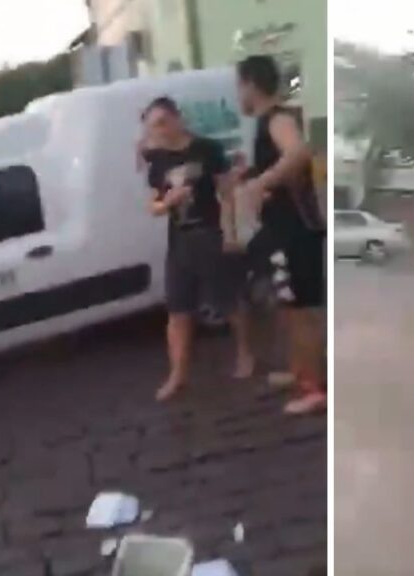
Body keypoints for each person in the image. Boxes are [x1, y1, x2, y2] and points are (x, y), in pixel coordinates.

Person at [141, 96, 254, 401]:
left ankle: (244, 353)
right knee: (177, 310)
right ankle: (177, 374)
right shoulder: (158, 160)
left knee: (229, 301)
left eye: (162, 123)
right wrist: (167, 202)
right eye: (153, 126)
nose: (159, 131)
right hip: (179, 240)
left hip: (210, 233)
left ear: (177, 118)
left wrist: (230, 233)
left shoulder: (207, 149)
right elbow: (152, 205)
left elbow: (226, 193)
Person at [236, 55, 327, 415]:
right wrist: (251, 178)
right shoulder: (265, 123)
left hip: (295, 232)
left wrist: (260, 183)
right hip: (281, 231)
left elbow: (297, 153)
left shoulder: (278, 119)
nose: (238, 94)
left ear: (250, 84)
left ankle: (313, 389)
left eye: (239, 86)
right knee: (289, 308)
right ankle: (298, 371)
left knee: (302, 312)